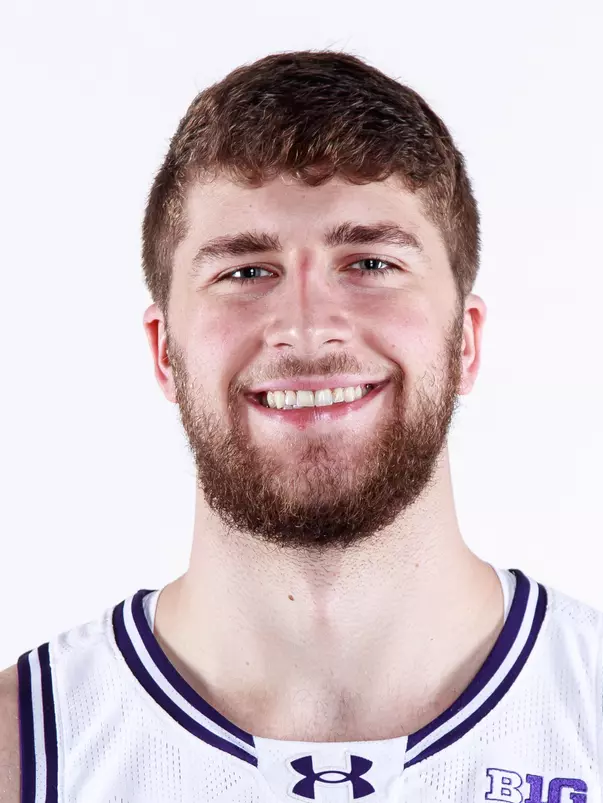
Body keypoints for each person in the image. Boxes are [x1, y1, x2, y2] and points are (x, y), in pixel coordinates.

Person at [0, 50, 598, 803]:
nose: (309, 330)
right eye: (245, 272)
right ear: (163, 351)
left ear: (466, 339)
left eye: (370, 262)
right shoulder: (19, 752)